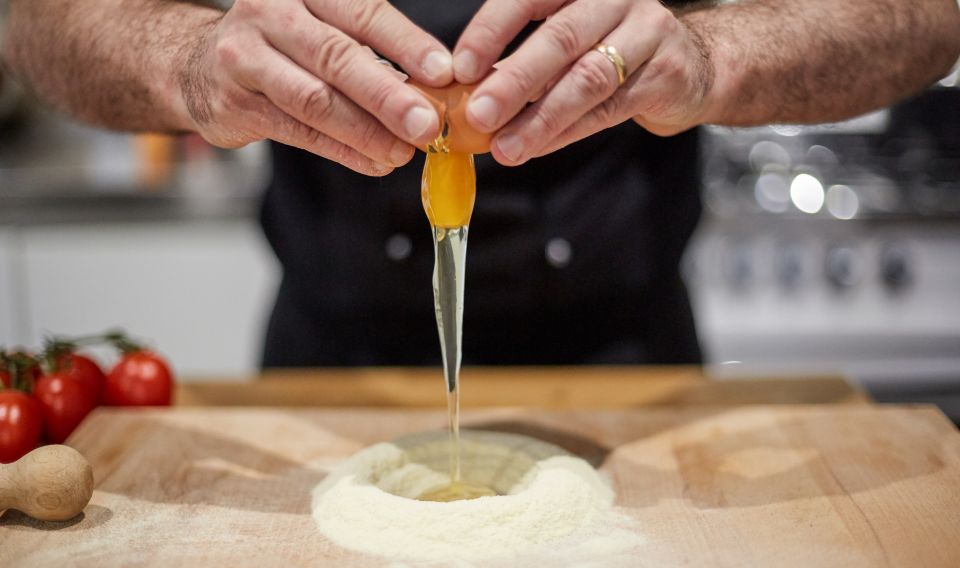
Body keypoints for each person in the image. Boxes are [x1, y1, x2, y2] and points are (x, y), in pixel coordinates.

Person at [2, 0, 958, 367]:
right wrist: (189, 64)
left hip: (626, 361)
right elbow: (32, 20)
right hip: (334, 368)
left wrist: (712, 56)